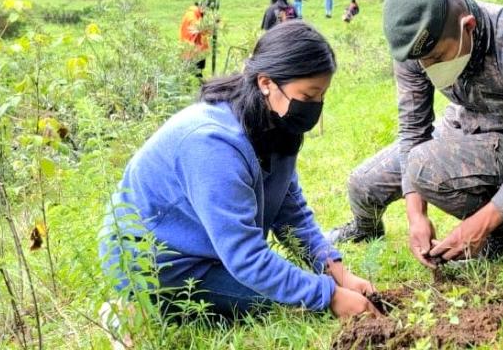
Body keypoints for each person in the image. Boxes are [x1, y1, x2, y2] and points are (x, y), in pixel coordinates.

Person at [99, 21, 381, 320]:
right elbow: (246, 256)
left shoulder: (276, 125)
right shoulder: (212, 144)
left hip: (211, 250)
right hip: (158, 264)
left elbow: (292, 215)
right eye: (308, 97)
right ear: (266, 82)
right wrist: (329, 296)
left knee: (291, 291)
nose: (315, 106)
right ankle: (128, 309)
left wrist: (339, 276)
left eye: (322, 96)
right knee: (288, 305)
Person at [327, 0, 503, 268]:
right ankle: (366, 231)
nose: (428, 67)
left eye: (437, 57)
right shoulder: (416, 43)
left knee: (425, 167)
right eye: (422, 61)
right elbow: (413, 128)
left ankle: (502, 238)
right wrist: (416, 217)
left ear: (468, 27)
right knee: (363, 184)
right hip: (468, 121)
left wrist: (479, 225)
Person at [179, 1, 210, 79]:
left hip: (194, 50)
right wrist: (212, 26)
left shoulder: (195, 14)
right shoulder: (191, 16)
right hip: (192, 52)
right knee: (195, 74)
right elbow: (199, 28)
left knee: (196, 73)